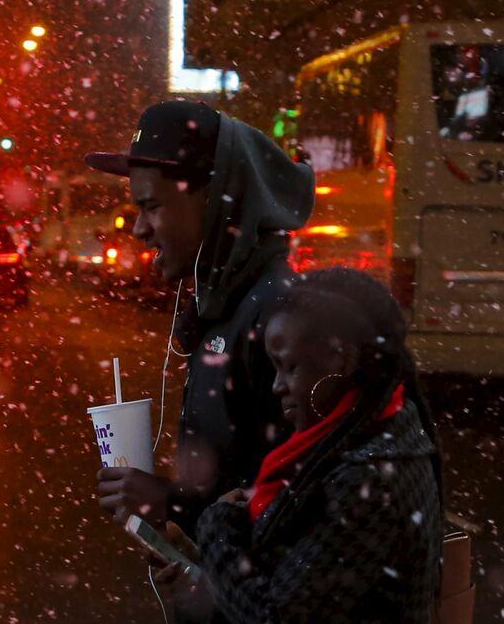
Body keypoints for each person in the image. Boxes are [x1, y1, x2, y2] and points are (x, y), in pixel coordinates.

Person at [154, 267, 444, 623]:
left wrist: (216, 529)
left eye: (289, 367)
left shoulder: (368, 479)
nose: (277, 386)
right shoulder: (363, 438)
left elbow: (275, 615)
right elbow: (302, 588)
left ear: (342, 359)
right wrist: (204, 577)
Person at [85, 101, 315, 533]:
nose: (138, 229)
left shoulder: (279, 317)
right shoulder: (225, 308)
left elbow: (307, 513)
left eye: (152, 206)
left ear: (214, 202)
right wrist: (187, 556)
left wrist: (173, 507)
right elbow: (240, 482)